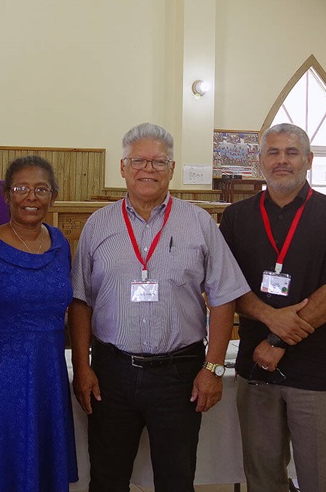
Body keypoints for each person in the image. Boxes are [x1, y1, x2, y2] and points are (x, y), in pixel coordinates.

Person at [68, 122, 249, 492]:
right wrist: (83, 366)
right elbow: (80, 299)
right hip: (112, 373)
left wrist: (213, 368)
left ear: (172, 168)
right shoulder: (97, 225)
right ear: (122, 167)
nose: (147, 169)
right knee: (107, 477)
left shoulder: (199, 223)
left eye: (158, 162)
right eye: (138, 160)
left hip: (179, 376)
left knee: (176, 478)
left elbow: (224, 295)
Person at [219, 123, 326, 492]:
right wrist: (271, 318)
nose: (282, 160)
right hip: (257, 369)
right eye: (274, 152)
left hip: (319, 370)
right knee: (262, 479)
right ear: (260, 162)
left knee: (320, 480)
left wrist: (279, 340)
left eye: (292, 152)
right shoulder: (237, 218)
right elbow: (226, 286)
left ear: (309, 160)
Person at [0, 155, 78, 491]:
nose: (31, 197)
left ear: (53, 196)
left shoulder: (60, 246)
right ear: (6, 194)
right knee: (0, 468)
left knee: (40, 468)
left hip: (47, 375)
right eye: (21, 188)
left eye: (41, 189)